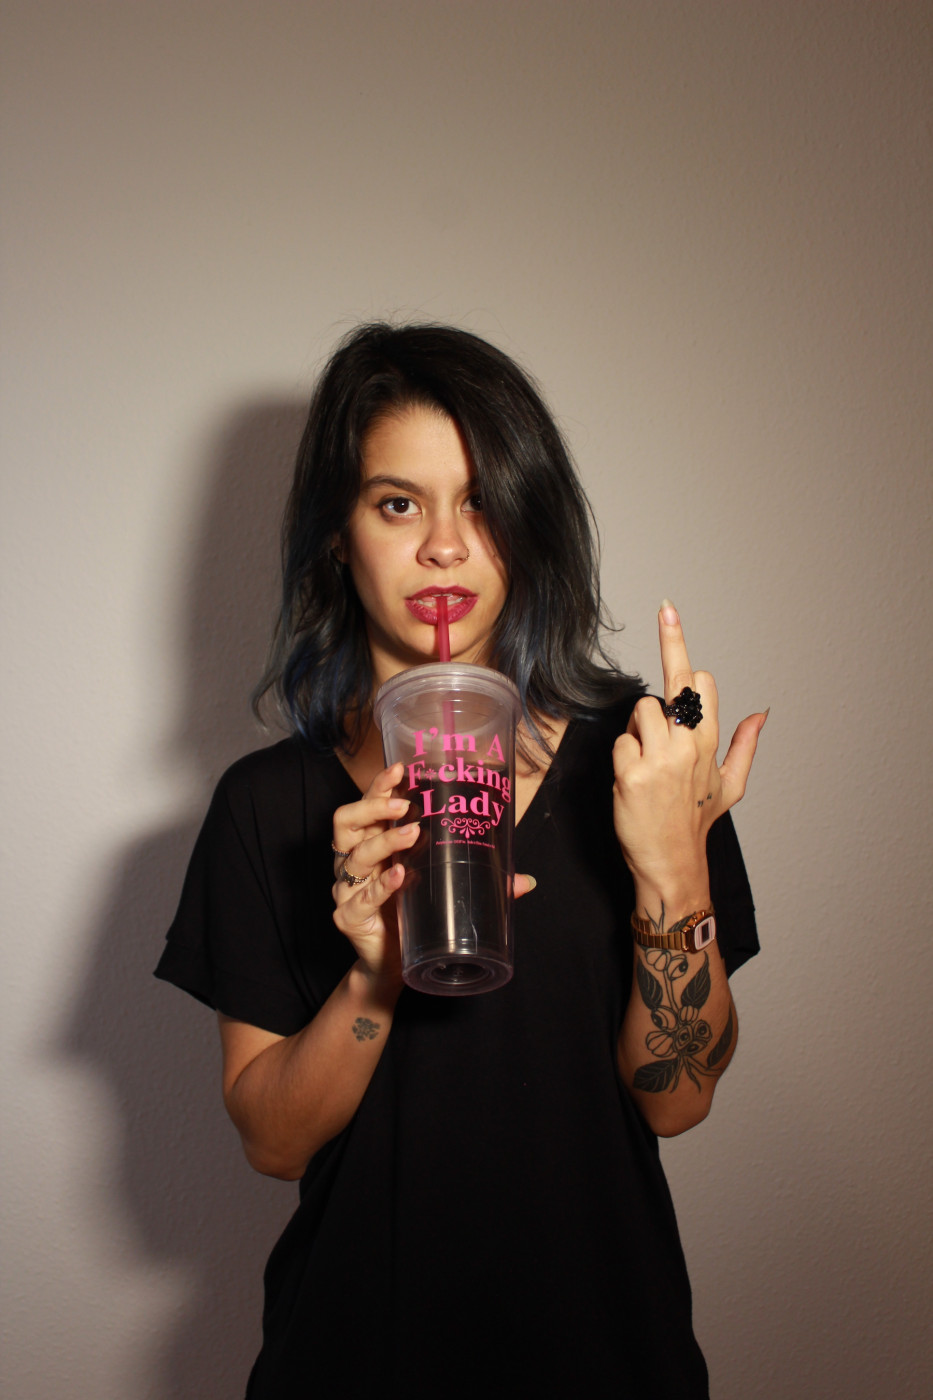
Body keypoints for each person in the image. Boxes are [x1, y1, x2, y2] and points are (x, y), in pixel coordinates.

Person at [155, 323, 765, 1399]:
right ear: (337, 535)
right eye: (399, 504)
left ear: (527, 523)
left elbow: (675, 1101)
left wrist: (674, 864)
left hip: (608, 1360)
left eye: (480, 501)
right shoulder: (264, 805)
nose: (444, 547)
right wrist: (374, 974)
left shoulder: (643, 758)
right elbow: (273, 1143)